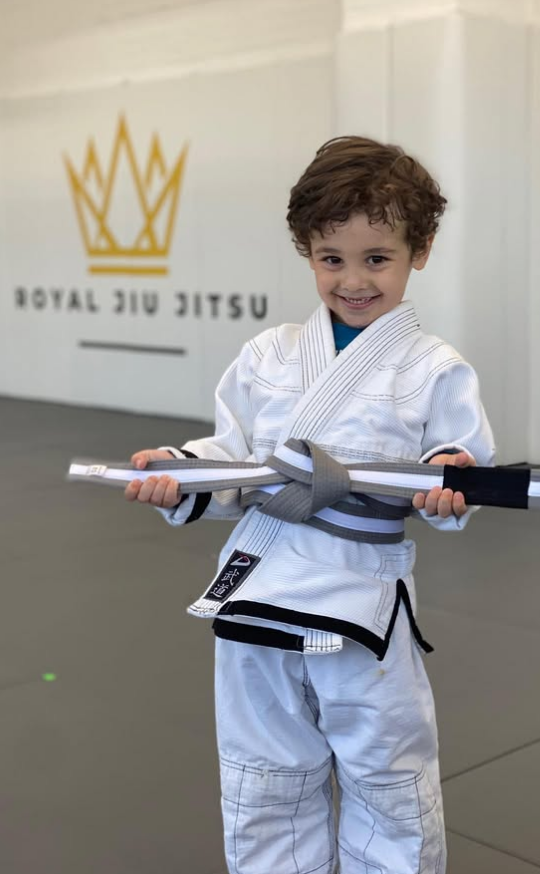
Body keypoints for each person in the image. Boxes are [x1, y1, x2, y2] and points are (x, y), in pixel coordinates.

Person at [124, 136, 495, 874]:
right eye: (331, 259)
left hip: (360, 593)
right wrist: (180, 472)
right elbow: (231, 457)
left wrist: (452, 478)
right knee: (263, 773)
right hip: (259, 582)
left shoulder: (432, 368)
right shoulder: (266, 355)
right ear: (307, 252)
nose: (352, 281)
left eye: (375, 259)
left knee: (385, 772)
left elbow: (456, 462)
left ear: (418, 251)